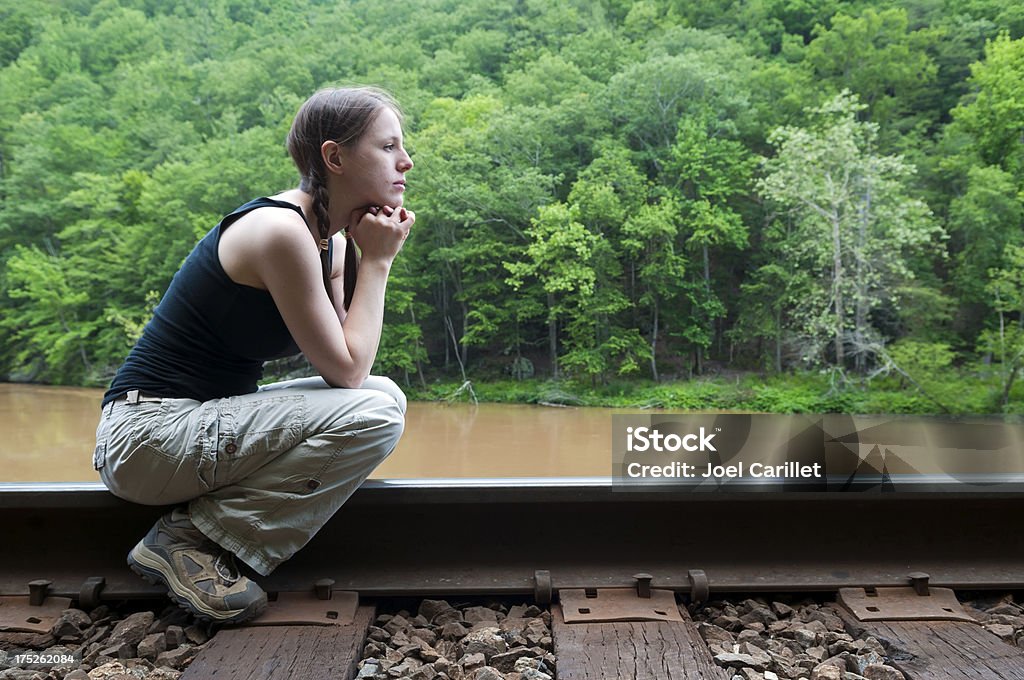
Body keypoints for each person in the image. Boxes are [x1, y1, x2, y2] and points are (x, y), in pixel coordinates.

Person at [92, 86, 415, 624]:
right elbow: (346, 369)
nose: (406, 162)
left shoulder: (326, 240)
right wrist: (378, 263)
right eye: (387, 147)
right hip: (147, 437)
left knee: (385, 397)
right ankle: (187, 541)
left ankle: (199, 533)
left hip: (196, 430)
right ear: (334, 157)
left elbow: (348, 369)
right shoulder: (279, 230)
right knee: (375, 408)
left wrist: (363, 255)